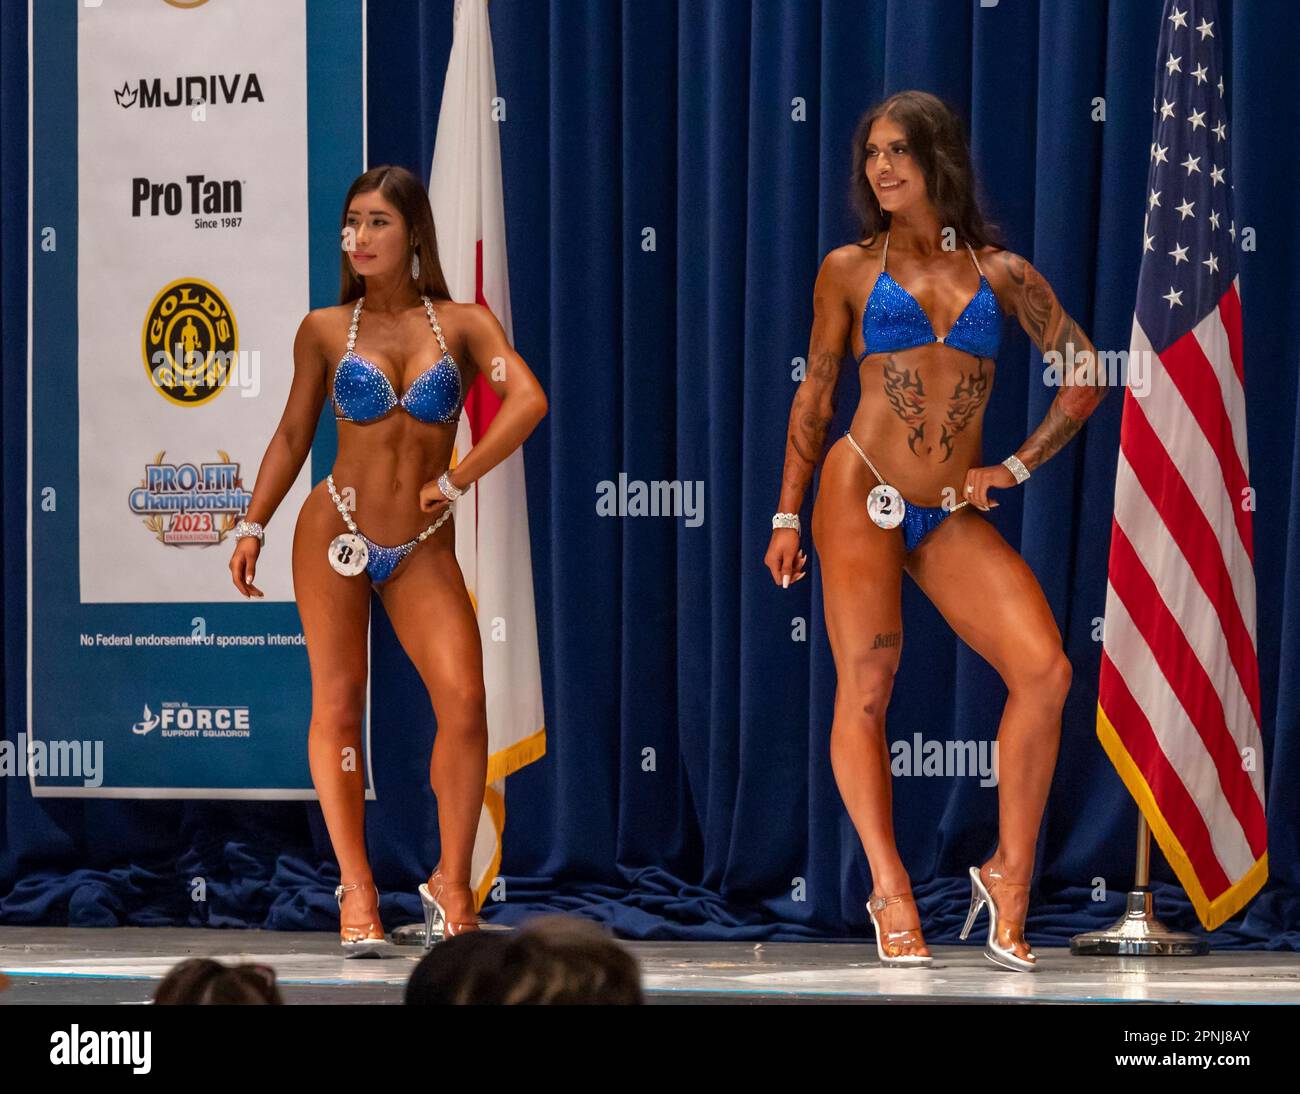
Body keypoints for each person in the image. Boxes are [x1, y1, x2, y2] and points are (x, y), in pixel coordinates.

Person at [765, 91, 1106, 971]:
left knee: (1046, 670)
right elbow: (817, 396)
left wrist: (1015, 468)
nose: (881, 168)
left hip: (949, 510)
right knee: (868, 690)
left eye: (898, 152)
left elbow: (1085, 376)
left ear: (937, 160)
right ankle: (890, 886)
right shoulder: (846, 268)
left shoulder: (1002, 275)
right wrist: (784, 511)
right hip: (859, 488)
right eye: (871, 153)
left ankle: (1009, 873)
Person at [229, 165, 548, 955]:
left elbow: (529, 400)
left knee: (465, 700)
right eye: (352, 223)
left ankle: (449, 882)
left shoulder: (464, 324)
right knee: (338, 707)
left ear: (413, 233)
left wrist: (457, 477)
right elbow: (292, 435)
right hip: (332, 529)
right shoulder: (324, 329)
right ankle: (357, 887)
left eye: (377, 222)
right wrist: (251, 524)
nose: (360, 237)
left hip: (421, 544)